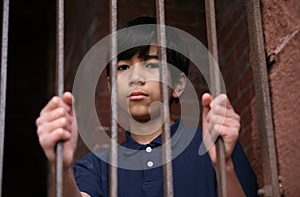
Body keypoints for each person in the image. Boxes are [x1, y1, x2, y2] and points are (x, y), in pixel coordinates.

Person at [36, 16, 258, 197]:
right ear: (111, 86)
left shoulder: (212, 142)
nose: (135, 77)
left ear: (178, 84)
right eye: (123, 67)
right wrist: (61, 168)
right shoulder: (98, 165)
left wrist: (225, 166)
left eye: (151, 64)